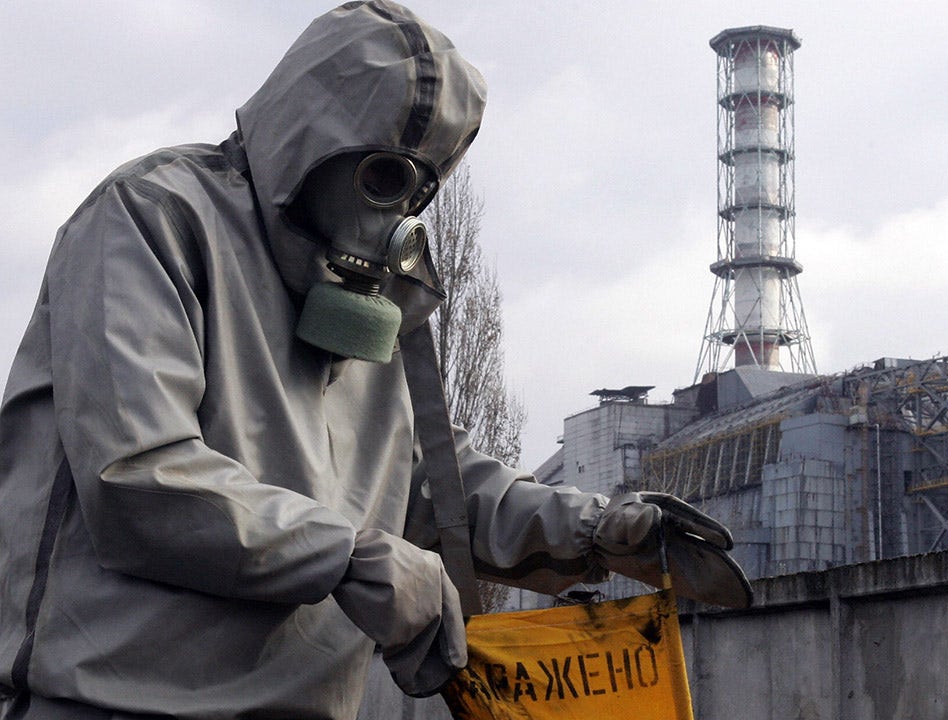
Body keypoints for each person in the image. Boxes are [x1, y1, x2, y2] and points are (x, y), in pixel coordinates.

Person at [0, 3, 749, 719]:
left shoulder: (366, 297)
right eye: (382, 175)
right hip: (117, 703)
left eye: (421, 183)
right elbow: (140, 475)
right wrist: (348, 556)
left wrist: (596, 530)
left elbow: (429, 485)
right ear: (304, 143)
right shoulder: (153, 218)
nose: (395, 211)